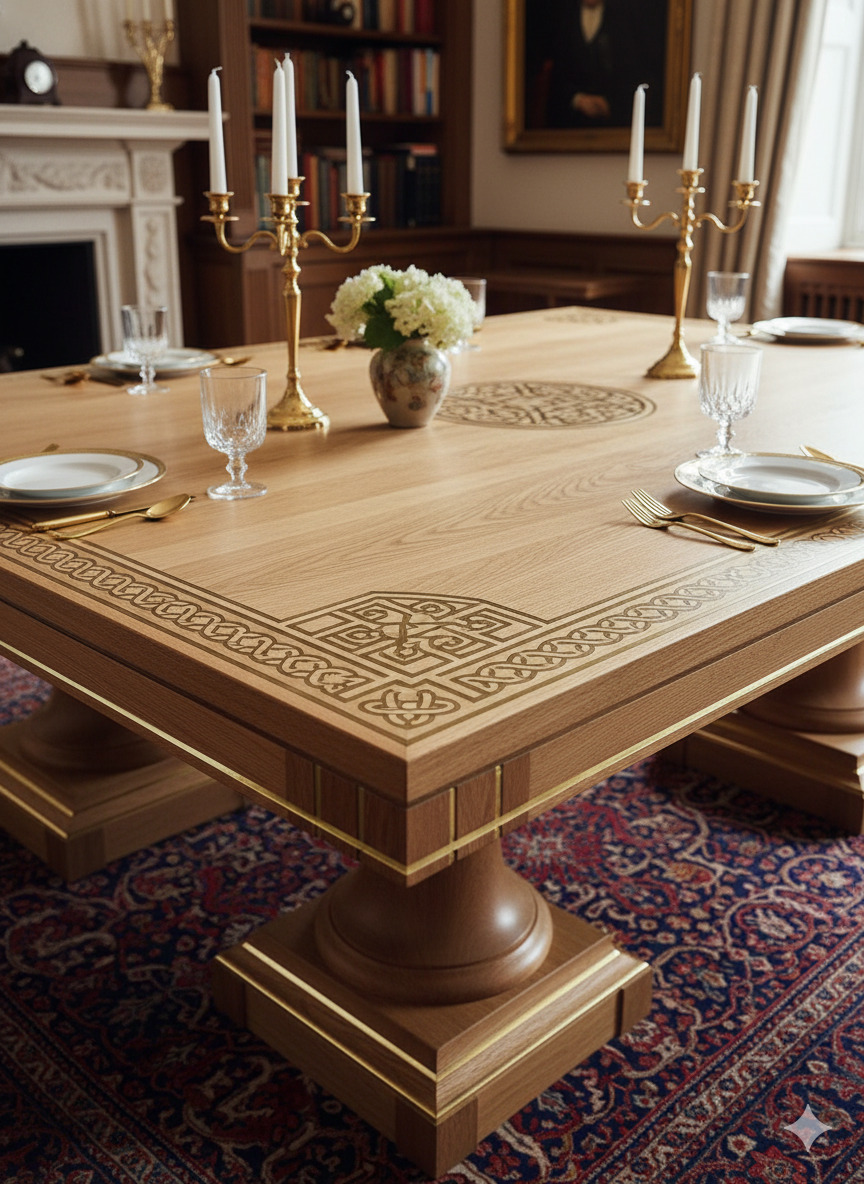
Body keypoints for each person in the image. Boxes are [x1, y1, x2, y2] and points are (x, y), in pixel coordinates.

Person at [525, 0, 665, 130]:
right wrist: (577, 100)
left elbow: (634, 74)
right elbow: (553, 76)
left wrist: (610, 103)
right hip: (567, 124)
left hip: (613, 125)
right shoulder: (560, 18)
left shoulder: (625, 20)